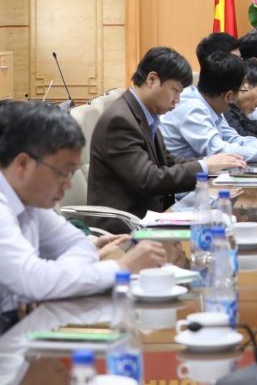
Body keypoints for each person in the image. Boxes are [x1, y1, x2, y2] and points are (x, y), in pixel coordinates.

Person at [0, 102, 166, 333]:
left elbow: (78, 244)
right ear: (23, 164)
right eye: (63, 173)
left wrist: (48, 282)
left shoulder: (31, 202)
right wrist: (120, 267)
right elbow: (35, 280)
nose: (67, 184)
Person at [87, 47, 244, 232]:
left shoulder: (144, 113)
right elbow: (148, 179)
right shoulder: (120, 120)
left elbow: (167, 161)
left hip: (151, 215)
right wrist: (204, 167)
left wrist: (210, 166)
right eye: (175, 91)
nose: (177, 100)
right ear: (152, 79)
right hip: (125, 226)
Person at [160, 52, 257, 163]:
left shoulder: (211, 104)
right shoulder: (191, 108)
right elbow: (220, 150)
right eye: (241, 90)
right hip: (185, 190)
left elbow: (233, 138)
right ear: (229, 96)